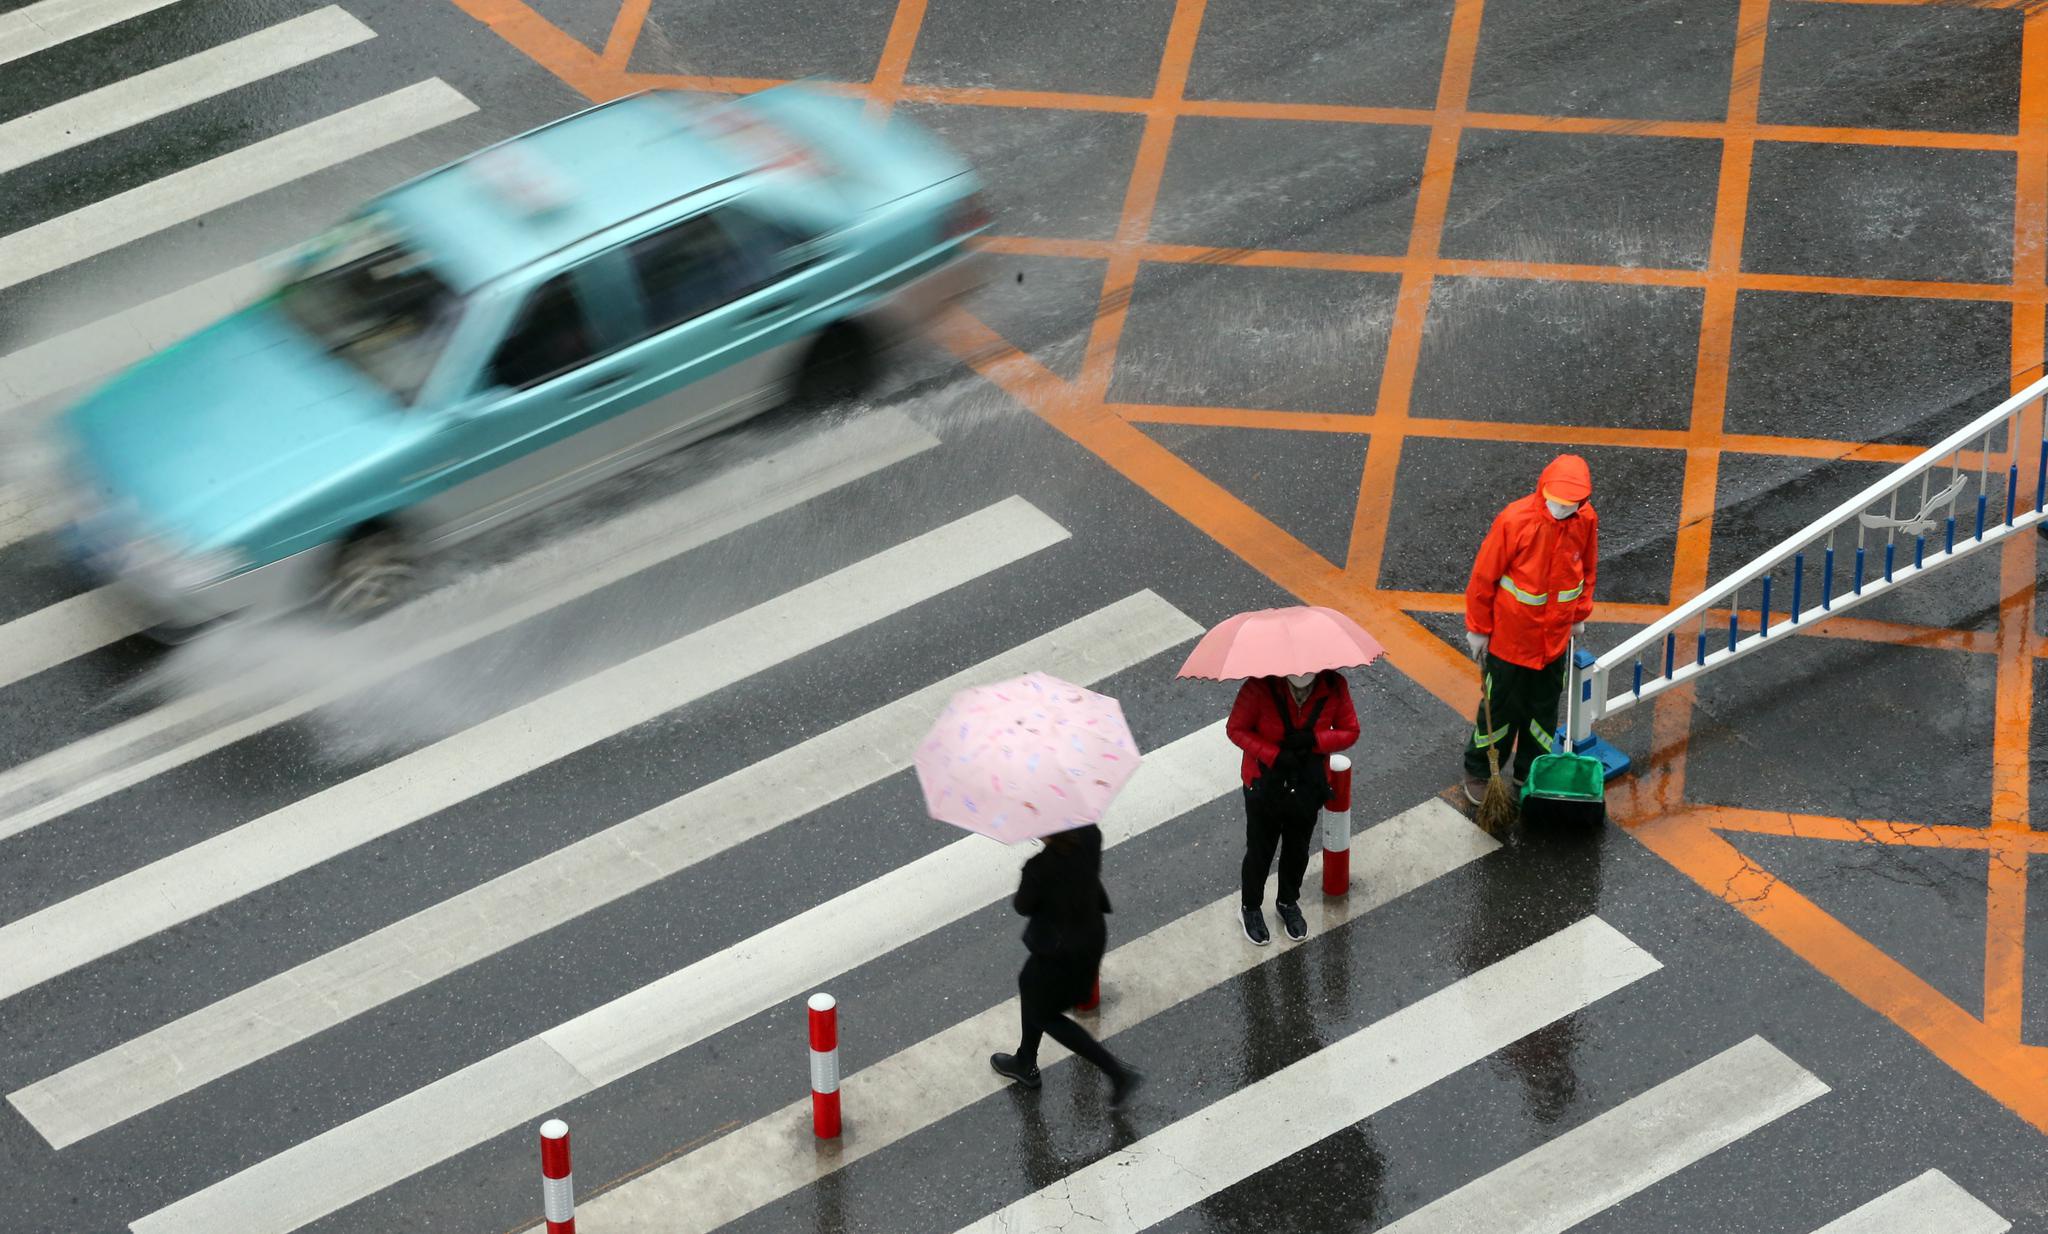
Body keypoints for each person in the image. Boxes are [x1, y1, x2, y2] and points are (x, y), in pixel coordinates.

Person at [1462, 453, 1599, 805]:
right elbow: (1483, 577)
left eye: (1570, 503)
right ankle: (1480, 770)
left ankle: (1530, 771)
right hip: (1509, 643)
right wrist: (1478, 628)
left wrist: (1578, 615)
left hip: (1553, 643)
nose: (1561, 508)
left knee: (1542, 714)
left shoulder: (1585, 520)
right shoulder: (1515, 520)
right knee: (1499, 711)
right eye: (1557, 501)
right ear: (1543, 491)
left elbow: (1587, 570)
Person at [989, 825, 1143, 1106]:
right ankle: (1025, 1059)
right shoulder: (1090, 835)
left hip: (1060, 953)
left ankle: (1116, 1073)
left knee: (1043, 1012)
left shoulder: (1038, 868)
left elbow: (1022, 906)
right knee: (1029, 984)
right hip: (1091, 937)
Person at [1225, 668, 1360, 946]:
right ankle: (1250, 908)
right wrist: (1274, 754)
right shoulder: (1259, 687)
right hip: (1264, 783)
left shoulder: (1334, 686)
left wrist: (1316, 740)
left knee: (1297, 849)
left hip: (1308, 783)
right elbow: (1236, 729)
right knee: (1260, 850)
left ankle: (1288, 902)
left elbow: (1350, 731)